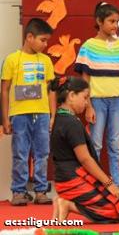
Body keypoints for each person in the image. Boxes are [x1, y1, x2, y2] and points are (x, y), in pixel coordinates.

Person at [50, 76, 119, 223]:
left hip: (64, 179)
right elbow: (85, 159)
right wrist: (109, 183)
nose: (87, 102)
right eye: (85, 97)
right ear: (71, 96)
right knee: (116, 211)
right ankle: (67, 204)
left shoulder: (59, 118)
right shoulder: (72, 123)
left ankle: (63, 201)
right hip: (73, 180)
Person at [75, 2, 119, 186]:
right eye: (111, 21)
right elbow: (85, 79)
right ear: (99, 21)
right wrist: (88, 106)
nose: (115, 25)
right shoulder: (89, 46)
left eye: (117, 21)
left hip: (117, 102)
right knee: (95, 144)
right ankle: (96, 184)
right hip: (97, 101)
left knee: (115, 144)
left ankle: (117, 185)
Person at [1, 18, 55, 206]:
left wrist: (52, 115)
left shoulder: (46, 61)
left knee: (42, 153)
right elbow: (4, 90)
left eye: (47, 40)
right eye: (43, 40)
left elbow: (51, 90)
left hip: (42, 114)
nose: (45, 44)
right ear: (29, 37)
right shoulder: (12, 59)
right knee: (20, 153)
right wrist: (5, 118)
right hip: (19, 115)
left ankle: (41, 191)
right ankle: (19, 191)